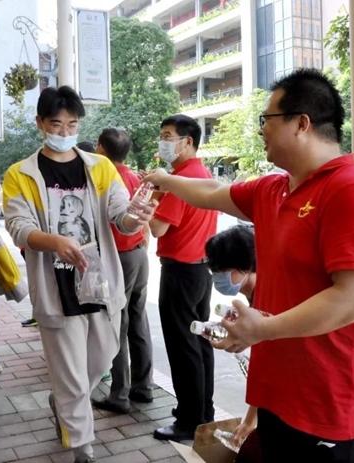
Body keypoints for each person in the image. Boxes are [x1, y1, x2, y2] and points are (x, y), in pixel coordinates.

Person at [143, 68, 354, 463]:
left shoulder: (352, 191)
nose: (261, 130)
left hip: (328, 407)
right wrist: (167, 180)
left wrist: (262, 329)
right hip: (278, 396)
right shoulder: (275, 189)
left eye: (266, 119)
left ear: (301, 123)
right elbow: (213, 190)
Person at [3, 86, 156, 463]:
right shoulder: (20, 174)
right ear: (40, 123)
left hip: (99, 282)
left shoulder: (100, 167)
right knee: (70, 375)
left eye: (72, 124)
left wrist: (136, 216)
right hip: (56, 286)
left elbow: (121, 216)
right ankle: (82, 449)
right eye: (57, 124)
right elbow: (18, 227)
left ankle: (63, 402)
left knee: (102, 358)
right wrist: (54, 241)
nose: (65, 131)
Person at [147, 114, 217, 442]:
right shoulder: (202, 174)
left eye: (167, 135)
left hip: (180, 272)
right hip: (201, 270)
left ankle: (188, 420)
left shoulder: (180, 180)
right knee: (200, 343)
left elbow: (157, 228)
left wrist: (153, 195)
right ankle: (203, 413)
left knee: (183, 346)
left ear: (187, 142)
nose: (162, 141)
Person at [91, 128, 154, 414]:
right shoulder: (136, 180)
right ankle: (144, 387)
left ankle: (119, 394)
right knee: (138, 321)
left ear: (101, 148)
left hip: (119, 258)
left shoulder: (105, 179)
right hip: (138, 254)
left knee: (117, 324)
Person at [205, 226, 261, 463]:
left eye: (222, 270)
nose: (217, 277)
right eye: (213, 270)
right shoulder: (253, 296)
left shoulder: (268, 297)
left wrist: (250, 420)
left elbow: (267, 367)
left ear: (245, 268)